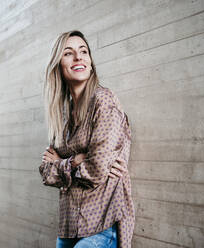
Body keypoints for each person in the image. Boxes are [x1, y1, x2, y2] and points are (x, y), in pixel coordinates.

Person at [39, 30, 135, 248]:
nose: (78, 57)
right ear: (58, 65)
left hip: (102, 224)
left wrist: (62, 165)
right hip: (68, 225)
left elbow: (97, 170)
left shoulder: (103, 101)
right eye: (68, 53)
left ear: (91, 62)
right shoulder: (61, 116)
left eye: (83, 51)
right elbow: (46, 172)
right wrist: (76, 161)